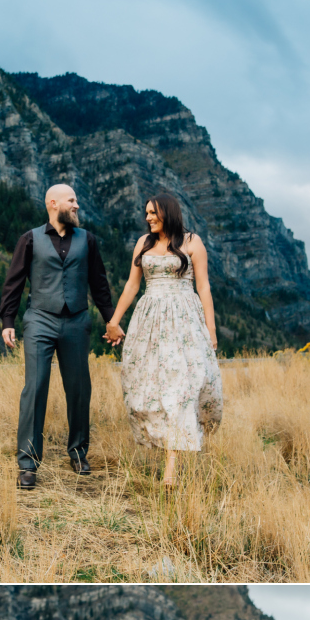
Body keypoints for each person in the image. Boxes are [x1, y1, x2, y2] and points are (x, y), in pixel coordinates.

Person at [0, 183, 116, 491]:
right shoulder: (30, 239)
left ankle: (78, 453)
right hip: (39, 320)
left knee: (79, 389)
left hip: (77, 322)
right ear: (54, 203)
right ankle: (27, 464)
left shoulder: (87, 240)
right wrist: (7, 320)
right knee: (35, 389)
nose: (77, 205)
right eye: (72, 200)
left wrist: (111, 320)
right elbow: (14, 281)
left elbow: (99, 283)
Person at [105, 191, 223, 488]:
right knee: (147, 385)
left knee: (180, 386)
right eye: (146, 213)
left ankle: (171, 467)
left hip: (183, 319)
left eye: (153, 213)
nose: (148, 218)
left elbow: (204, 287)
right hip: (149, 320)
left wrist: (211, 329)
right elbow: (132, 286)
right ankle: (162, 441)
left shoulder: (192, 242)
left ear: (168, 212)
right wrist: (115, 321)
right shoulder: (143, 244)